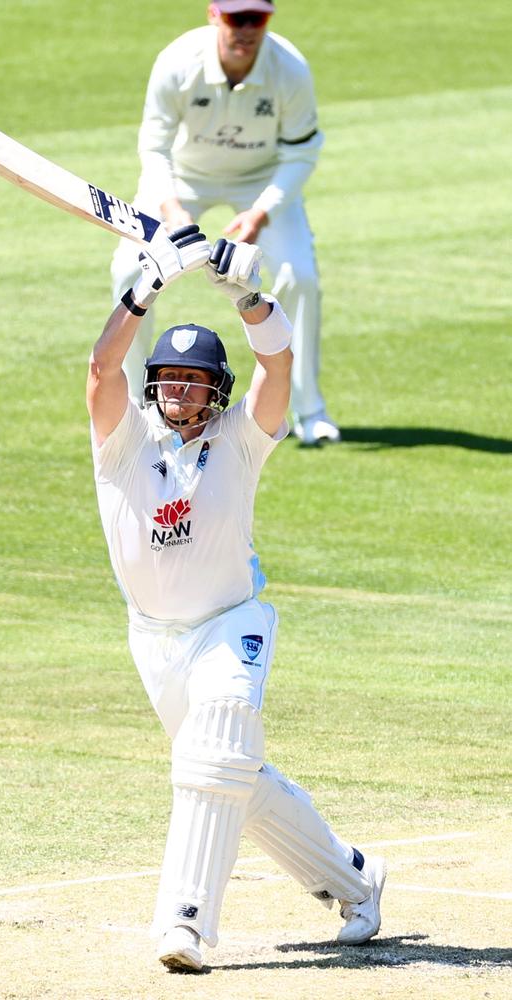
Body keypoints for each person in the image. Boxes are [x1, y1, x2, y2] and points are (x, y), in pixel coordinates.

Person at [87, 223, 386, 972]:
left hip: (232, 623)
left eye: (193, 380)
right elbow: (101, 367)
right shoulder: (123, 441)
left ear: (216, 390)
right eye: (168, 378)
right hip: (154, 639)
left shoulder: (242, 437)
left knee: (216, 758)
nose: (178, 389)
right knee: (232, 778)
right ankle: (354, 877)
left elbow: (279, 363)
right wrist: (142, 288)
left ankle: (183, 925)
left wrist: (250, 298)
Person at [110, 0, 340, 446]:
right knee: (127, 271)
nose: (247, 29)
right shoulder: (177, 62)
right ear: (214, 14)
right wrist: (174, 211)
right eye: (237, 18)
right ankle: (135, 407)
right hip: (182, 180)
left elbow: (301, 152)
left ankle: (309, 411)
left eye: (258, 18)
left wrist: (261, 212)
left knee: (301, 276)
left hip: (258, 183)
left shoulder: (289, 68)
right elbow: (153, 148)